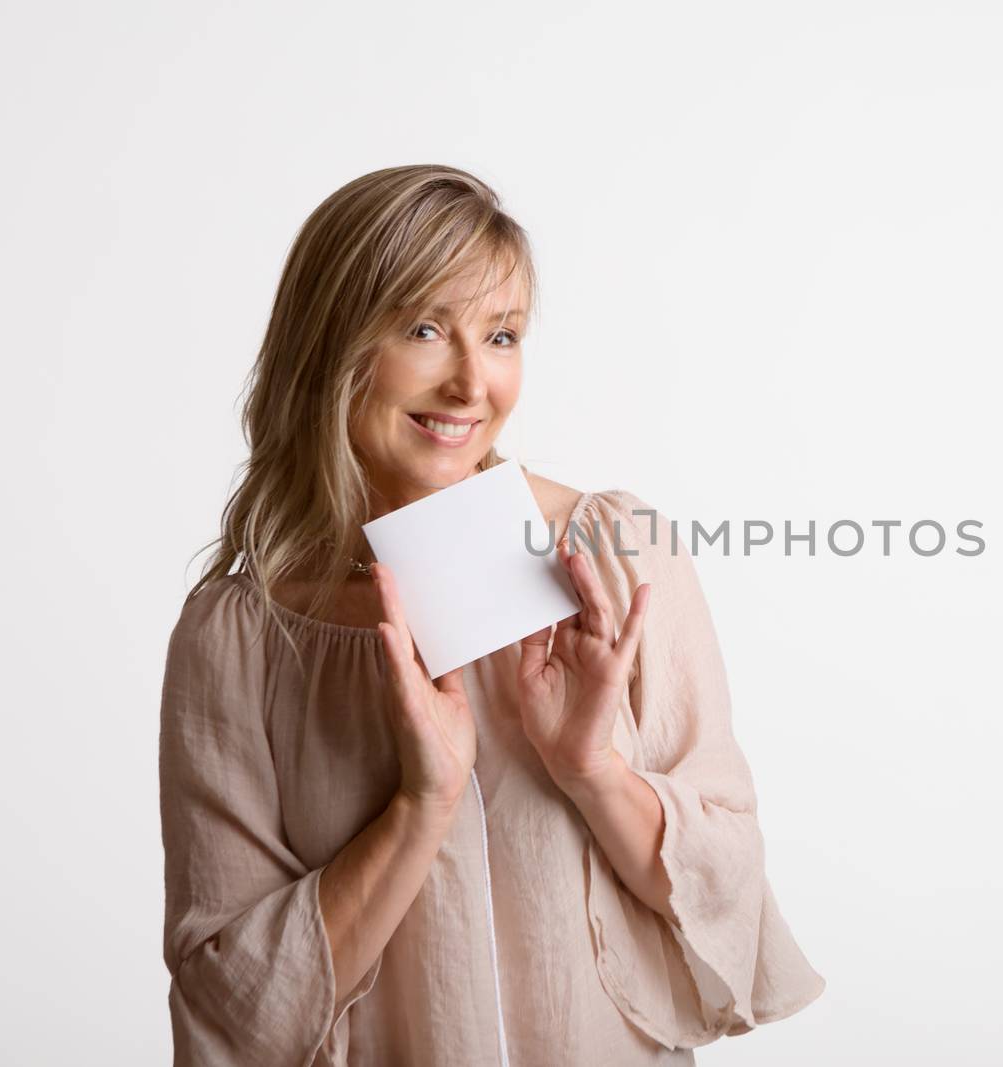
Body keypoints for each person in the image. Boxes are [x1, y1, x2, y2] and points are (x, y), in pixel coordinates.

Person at [158, 164, 825, 1066]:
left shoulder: (615, 551)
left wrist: (592, 768)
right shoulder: (241, 634)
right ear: (331, 345)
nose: (474, 382)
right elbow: (230, 996)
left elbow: (731, 887)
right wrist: (419, 803)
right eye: (426, 329)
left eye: (502, 335)